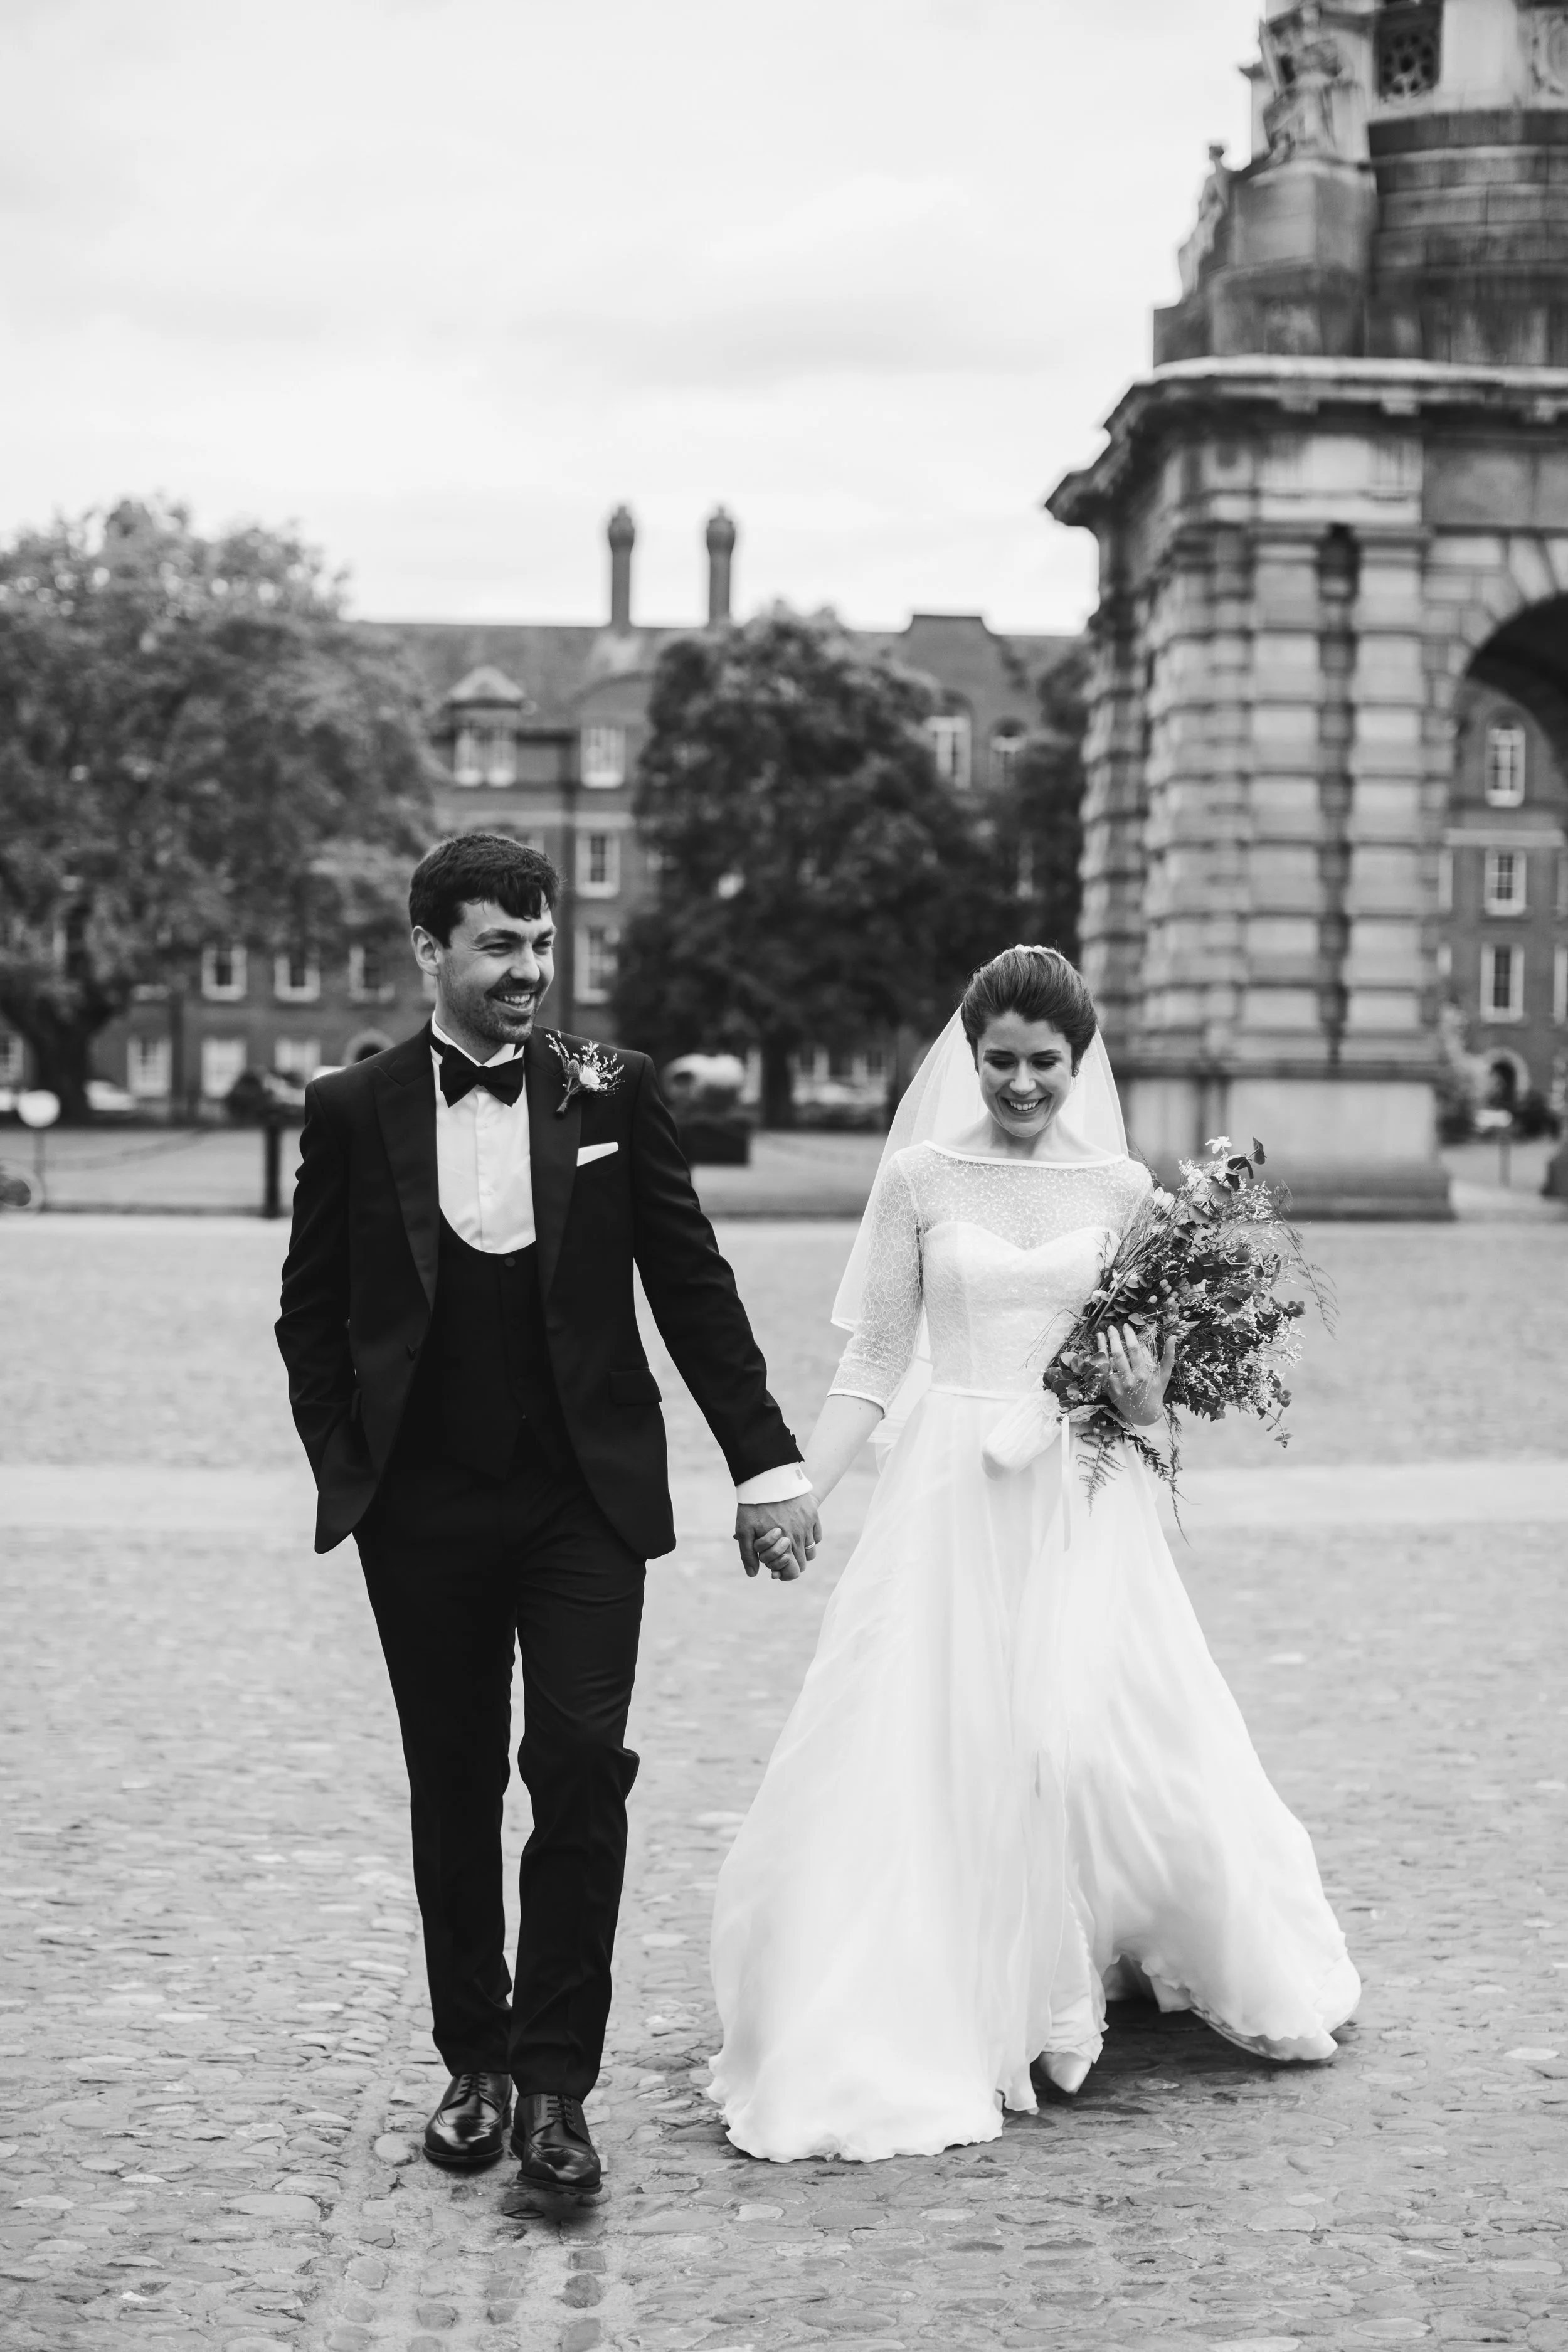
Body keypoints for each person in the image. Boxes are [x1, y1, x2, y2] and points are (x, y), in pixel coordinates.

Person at [712, 946, 1360, 2164]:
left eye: (1042, 1064)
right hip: (943, 1493)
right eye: (998, 1061)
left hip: (1071, 1492)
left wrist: (1143, 1400)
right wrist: (792, 1487)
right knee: (931, 1740)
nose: (1019, 1084)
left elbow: (1148, 1398)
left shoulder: (1121, 1193)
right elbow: (872, 1364)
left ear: (1078, 1058)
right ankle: (951, 1999)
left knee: (1070, 1740)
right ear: (969, 1054)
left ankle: (1071, 1976)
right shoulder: (916, 1177)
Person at [276, 832, 818, 2191]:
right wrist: (352, 1463)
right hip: (423, 1508)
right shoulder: (355, 1109)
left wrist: (763, 1463)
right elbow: (309, 1313)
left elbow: (690, 1291)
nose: (528, 971)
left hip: (583, 1498)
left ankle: (556, 2086)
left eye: (540, 944)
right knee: (454, 1783)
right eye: (498, 946)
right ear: (429, 953)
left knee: (578, 1768)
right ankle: (473, 2061)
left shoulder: (612, 1093)